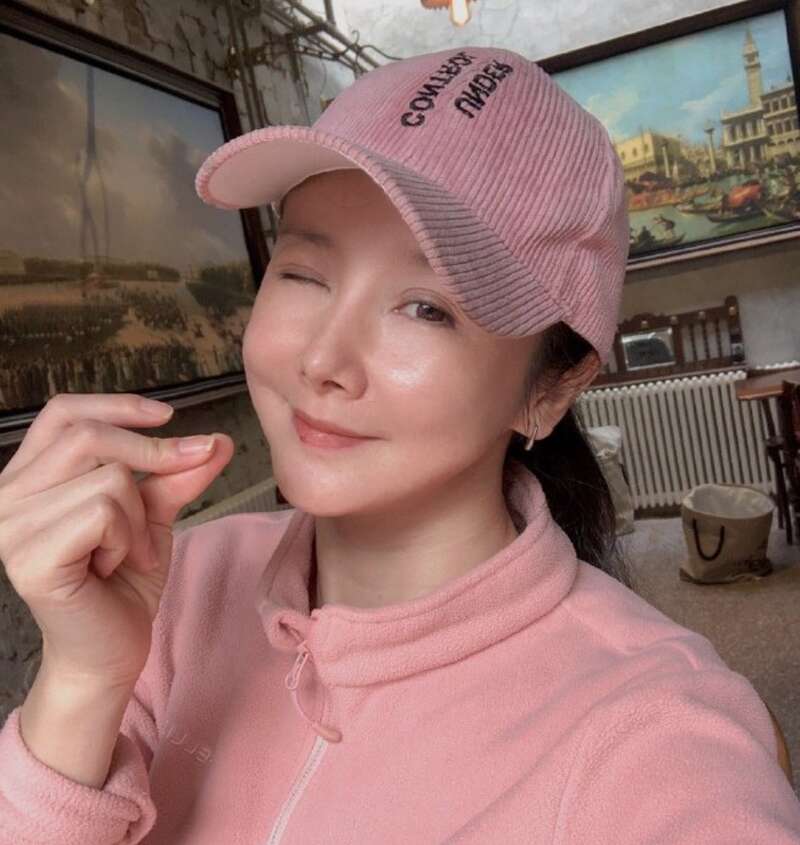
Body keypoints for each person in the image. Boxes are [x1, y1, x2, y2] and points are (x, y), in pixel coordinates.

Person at [1, 45, 799, 844]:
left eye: (426, 308)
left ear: (551, 389)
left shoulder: (656, 738)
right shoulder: (178, 580)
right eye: (303, 273)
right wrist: (82, 678)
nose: (322, 360)